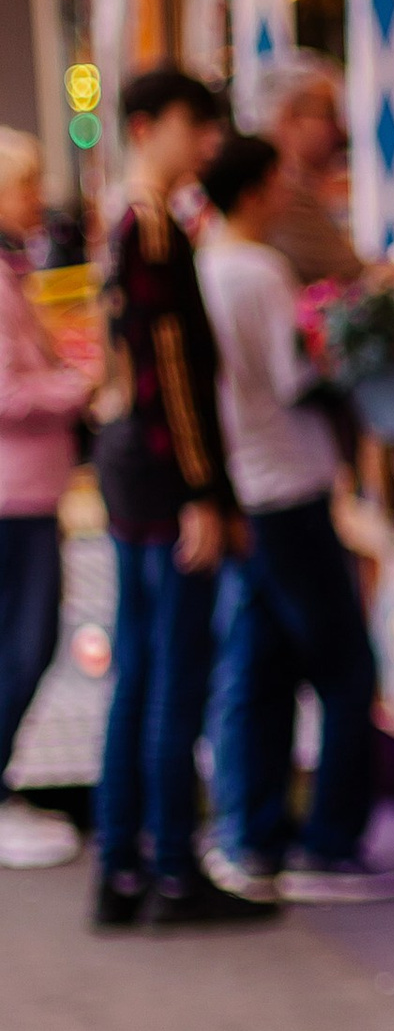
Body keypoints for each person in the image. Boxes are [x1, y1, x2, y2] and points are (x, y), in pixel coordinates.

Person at [195, 133, 394, 907]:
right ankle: (329, 841)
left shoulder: (206, 264)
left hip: (249, 481)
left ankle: (250, 832)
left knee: (260, 664)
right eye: (277, 183)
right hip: (288, 482)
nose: (287, 195)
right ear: (253, 192)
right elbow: (296, 375)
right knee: (346, 668)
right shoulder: (258, 271)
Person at [91, 69, 277, 929]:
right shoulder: (154, 228)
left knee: (139, 672)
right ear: (149, 127)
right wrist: (205, 491)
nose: (206, 145)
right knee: (172, 674)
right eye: (193, 128)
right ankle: (170, 863)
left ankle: (123, 863)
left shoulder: (125, 222)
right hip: (166, 480)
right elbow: (174, 375)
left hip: (133, 471)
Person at [0, 127, 92, 870]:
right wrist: (82, 385)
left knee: (25, 643)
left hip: (26, 489)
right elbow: (5, 392)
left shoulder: (14, 273)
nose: (39, 199)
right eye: (26, 185)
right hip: (13, 494)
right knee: (22, 644)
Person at [244, 50, 363, 289]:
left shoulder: (288, 187)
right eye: (329, 114)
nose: (341, 131)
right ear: (290, 117)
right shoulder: (281, 192)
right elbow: (351, 276)